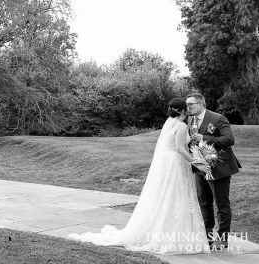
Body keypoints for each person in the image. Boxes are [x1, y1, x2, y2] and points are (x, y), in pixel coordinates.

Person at [68, 98, 209, 254]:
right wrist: (198, 162)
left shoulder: (170, 122)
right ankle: (174, 234)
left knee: (169, 196)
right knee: (177, 195)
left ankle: (164, 230)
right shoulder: (181, 125)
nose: (189, 109)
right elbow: (179, 149)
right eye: (187, 107)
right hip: (176, 164)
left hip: (169, 164)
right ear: (182, 110)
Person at [186, 92, 241, 250]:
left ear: (201, 103)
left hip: (218, 168)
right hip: (199, 169)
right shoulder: (190, 120)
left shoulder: (217, 118)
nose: (188, 107)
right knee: (204, 203)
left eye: (191, 104)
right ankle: (207, 237)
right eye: (187, 104)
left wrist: (204, 138)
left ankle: (222, 239)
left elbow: (229, 140)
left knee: (221, 205)